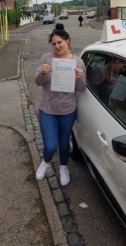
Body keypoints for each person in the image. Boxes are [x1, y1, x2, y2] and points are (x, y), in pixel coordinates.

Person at [34, 23, 86, 185]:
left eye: (60, 42)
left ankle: (64, 167)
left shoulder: (78, 62)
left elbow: (81, 88)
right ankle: (46, 161)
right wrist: (42, 72)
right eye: (54, 43)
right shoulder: (47, 59)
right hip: (47, 109)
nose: (57, 46)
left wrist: (79, 78)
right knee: (50, 145)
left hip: (67, 110)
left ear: (67, 41)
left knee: (64, 143)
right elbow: (37, 82)